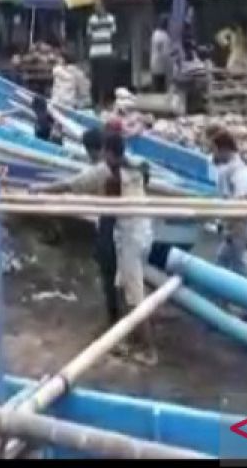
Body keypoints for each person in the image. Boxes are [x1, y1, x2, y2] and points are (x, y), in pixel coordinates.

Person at [34, 130, 156, 365]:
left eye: (104, 153)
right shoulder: (136, 164)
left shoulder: (105, 170)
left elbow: (70, 185)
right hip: (142, 232)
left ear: (108, 152)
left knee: (135, 295)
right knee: (123, 288)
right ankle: (128, 338)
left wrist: (38, 190)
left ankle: (148, 350)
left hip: (130, 237)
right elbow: (145, 169)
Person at [210, 129, 247, 278]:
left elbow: (244, 198)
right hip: (231, 226)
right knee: (225, 262)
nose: (213, 155)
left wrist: (229, 221)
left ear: (223, 149)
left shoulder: (239, 170)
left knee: (238, 264)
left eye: (214, 150)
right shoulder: (228, 169)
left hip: (238, 227)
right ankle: (219, 297)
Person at [86, 0, 117, 109]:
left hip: (106, 52)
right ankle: (96, 102)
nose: (96, 8)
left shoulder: (110, 19)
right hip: (95, 53)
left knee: (105, 78)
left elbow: (113, 36)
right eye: (95, 6)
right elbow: (89, 36)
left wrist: (112, 50)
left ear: (103, 7)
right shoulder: (92, 20)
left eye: (98, 6)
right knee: (95, 79)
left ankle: (103, 101)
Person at [149, 15, 171, 94]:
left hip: (154, 63)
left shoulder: (155, 34)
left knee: (155, 87)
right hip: (162, 66)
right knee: (161, 89)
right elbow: (166, 53)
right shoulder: (165, 36)